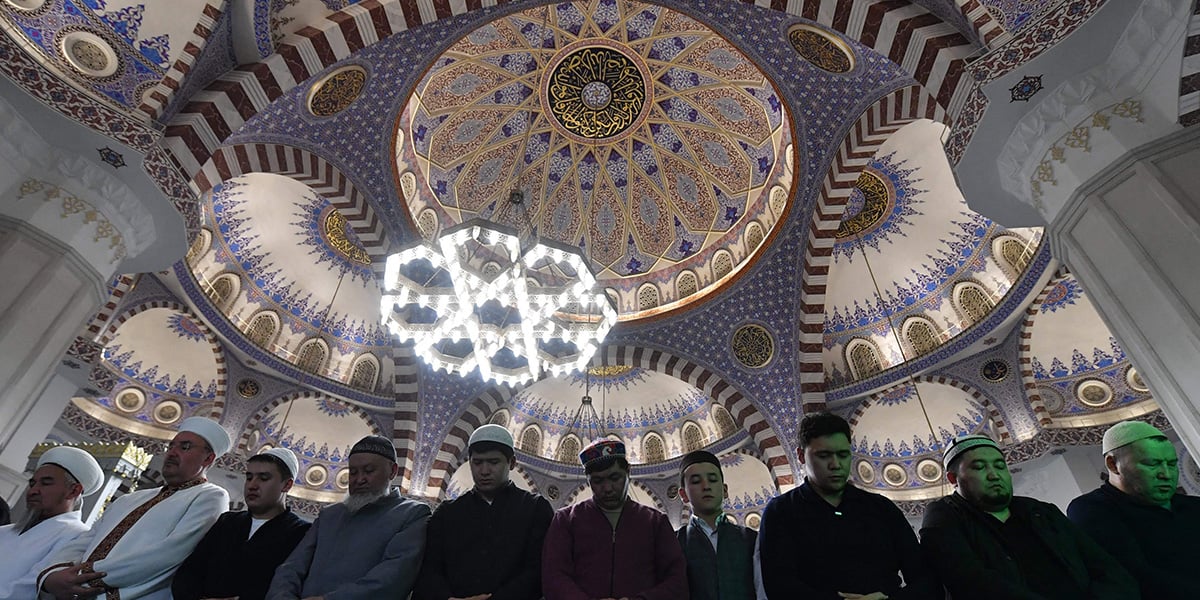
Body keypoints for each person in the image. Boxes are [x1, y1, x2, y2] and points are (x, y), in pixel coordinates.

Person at [920, 434, 1139, 599]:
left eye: (999, 465)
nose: (994, 474)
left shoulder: (1040, 511)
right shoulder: (944, 516)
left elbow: (1105, 567)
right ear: (953, 478)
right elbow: (971, 581)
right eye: (979, 467)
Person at [39, 417, 232, 600]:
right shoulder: (131, 498)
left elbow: (169, 554)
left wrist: (85, 578)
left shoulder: (211, 496)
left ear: (208, 459)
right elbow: (85, 540)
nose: (172, 452)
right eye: (171, 446)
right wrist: (54, 575)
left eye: (185, 447)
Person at [758, 412, 938, 600]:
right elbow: (779, 587)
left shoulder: (881, 509)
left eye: (843, 455)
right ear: (801, 456)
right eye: (823, 456)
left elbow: (925, 580)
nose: (836, 464)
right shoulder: (781, 512)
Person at [268, 435, 431, 599]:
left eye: (369, 471)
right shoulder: (330, 515)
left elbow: (393, 578)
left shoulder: (412, 514)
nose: (359, 479)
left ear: (393, 471)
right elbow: (291, 567)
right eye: (353, 472)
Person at [414, 424, 553, 600]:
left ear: (511, 463)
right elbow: (429, 569)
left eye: (493, 462)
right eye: (477, 462)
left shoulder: (535, 508)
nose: (484, 471)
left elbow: (538, 571)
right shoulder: (448, 513)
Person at [1067, 420, 1200, 599]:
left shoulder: (1192, 506)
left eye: (1171, 464)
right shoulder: (1091, 510)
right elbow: (1134, 576)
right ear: (1113, 464)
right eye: (1152, 464)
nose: (1166, 474)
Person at [542, 439, 688, 600]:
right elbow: (554, 577)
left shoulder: (655, 522)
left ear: (628, 472)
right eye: (597, 481)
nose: (607, 488)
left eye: (614, 478)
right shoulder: (566, 520)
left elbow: (677, 581)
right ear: (587, 480)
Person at [173, 447, 311, 600]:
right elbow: (191, 570)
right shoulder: (228, 522)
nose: (252, 485)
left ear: (287, 485)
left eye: (263, 478)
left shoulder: (301, 533)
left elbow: (286, 586)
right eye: (249, 477)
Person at [0, 446, 104, 600]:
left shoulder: (78, 536)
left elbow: (32, 587)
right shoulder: (4, 531)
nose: (33, 491)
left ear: (73, 491)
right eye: (33, 483)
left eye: (45, 483)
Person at [675, 450, 756, 600]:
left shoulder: (751, 539)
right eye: (696, 481)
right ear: (683, 494)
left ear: (725, 490)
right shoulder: (674, 543)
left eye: (712, 479)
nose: (706, 486)